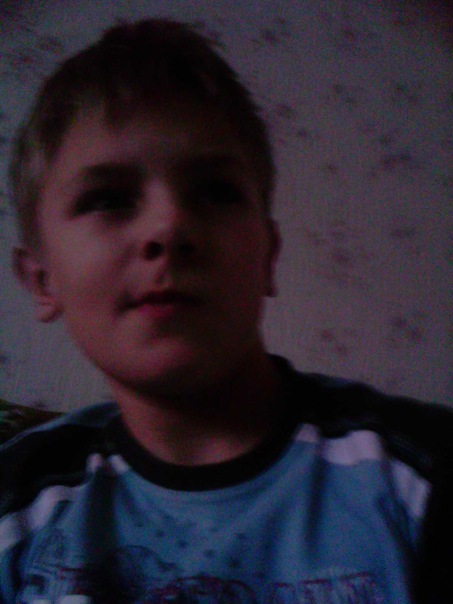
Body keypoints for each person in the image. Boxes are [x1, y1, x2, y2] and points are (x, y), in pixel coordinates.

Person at [0, 18, 451, 604]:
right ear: (41, 279)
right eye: (108, 199)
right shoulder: (16, 499)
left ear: (268, 258)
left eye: (215, 191)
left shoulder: (421, 474)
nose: (168, 226)